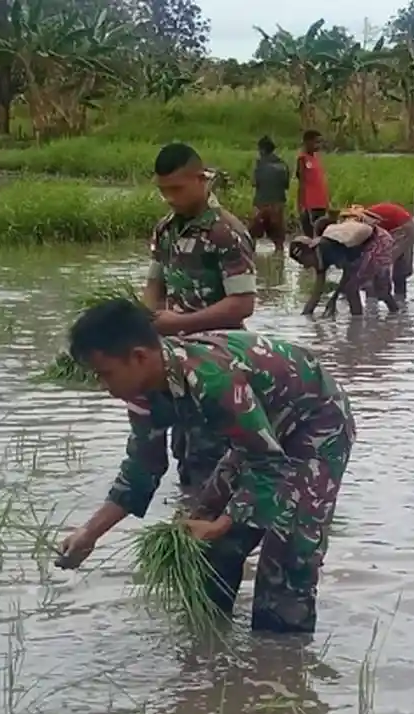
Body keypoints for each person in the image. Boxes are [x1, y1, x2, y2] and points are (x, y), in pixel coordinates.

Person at [55, 298, 356, 634]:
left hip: (313, 424)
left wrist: (223, 524)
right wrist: (89, 534)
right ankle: (210, 655)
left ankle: (281, 664)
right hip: (256, 433)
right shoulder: (140, 392)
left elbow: (267, 463)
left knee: (287, 556)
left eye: (104, 374)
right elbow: (142, 467)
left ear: (139, 357)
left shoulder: (210, 377)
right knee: (205, 543)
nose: (103, 386)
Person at [143, 142, 257, 490]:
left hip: (218, 361)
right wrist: (149, 322)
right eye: (163, 191)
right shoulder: (166, 229)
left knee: (214, 454)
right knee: (183, 448)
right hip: (174, 361)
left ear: (201, 179)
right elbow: (154, 284)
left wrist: (178, 323)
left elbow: (242, 304)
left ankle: (211, 526)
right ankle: (190, 523)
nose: (170, 198)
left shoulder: (226, 231)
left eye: (177, 189)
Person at [288, 217, 399, 318]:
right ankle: (396, 315)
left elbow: (348, 272)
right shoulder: (319, 257)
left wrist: (334, 299)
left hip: (379, 242)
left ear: (309, 252)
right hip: (374, 241)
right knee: (381, 291)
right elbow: (316, 294)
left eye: (303, 262)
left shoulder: (327, 248)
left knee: (351, 288)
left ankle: (357, 325)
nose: (306, 266)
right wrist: (305, 316)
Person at [341, 202, 414, 300]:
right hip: (408, 224)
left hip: (403, 227)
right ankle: (400, 301)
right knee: (399, 266)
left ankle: (376, 299)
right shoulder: (362, 218)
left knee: (378, 262)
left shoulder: (363, 222)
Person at [250, 135, 291, 253]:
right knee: (278, 241)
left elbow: (254, 183)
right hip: (277, 206)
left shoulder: (260, 165)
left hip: (261, 205)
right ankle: (278, 264)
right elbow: (286, 185)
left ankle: (253, 263)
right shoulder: (283, 165)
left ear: (262, 150)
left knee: (252, 236)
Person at [296, 130, 330, 237]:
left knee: (321, 232)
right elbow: (301, 183)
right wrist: (301, 204)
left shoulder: (316, 158)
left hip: (321, 202)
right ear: (307, 142)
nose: (318, 146)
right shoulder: (302, 159)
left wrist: (327, 201)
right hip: (309, 203)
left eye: (320, 142)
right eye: (316, 142)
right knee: (310, 234)